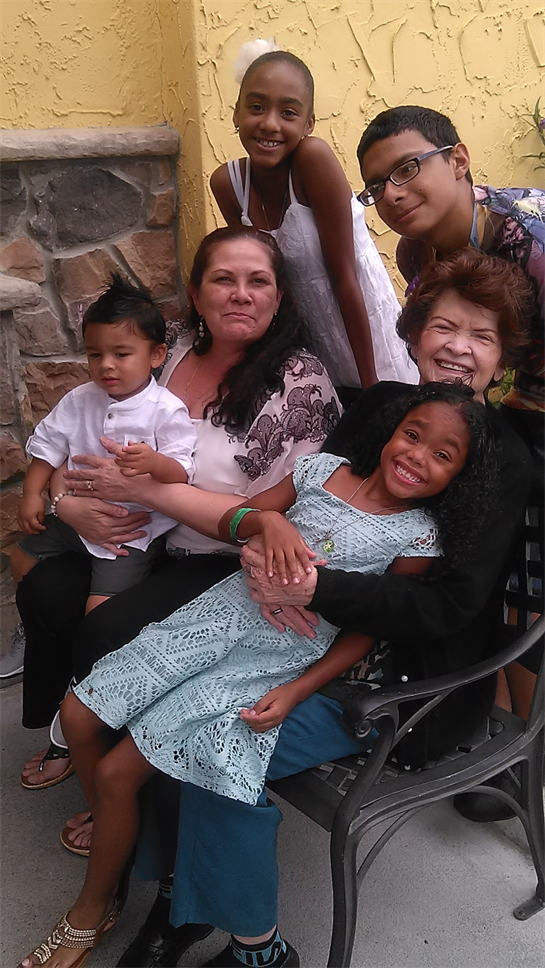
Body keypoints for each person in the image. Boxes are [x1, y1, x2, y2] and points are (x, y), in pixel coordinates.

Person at [89, 249, 533, 968]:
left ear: (503, 356)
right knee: (153, 672)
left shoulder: (504, 461)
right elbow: (302, 508)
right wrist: (265, 543)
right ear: (416, 332)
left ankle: (224, 934)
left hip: (389, 683)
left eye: (481, 336)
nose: (458, 347)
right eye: (445, 327)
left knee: (217, 736)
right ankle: (176, 888)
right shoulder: (383, 406)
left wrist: (310, 587)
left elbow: (447, 608)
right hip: (283, 630)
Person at [19, 381, 498, 968]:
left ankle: (90, 911)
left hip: (272, 656)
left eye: (443, 455)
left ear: (458, 476)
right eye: (412, 434)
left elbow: (367, 629)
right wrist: (266, 523)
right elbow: (239, 518)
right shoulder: (322, 470)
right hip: (215, 617)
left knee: (120, 773)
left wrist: (296, 690)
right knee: (78, 714)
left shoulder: (417, 534)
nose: (417, 456)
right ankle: (121, 856)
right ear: (391, 430)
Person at [16, 226, 340, 841]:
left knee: (107, 627)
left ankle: (117, 787)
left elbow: (286, 500)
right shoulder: (167, 346)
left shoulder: (299, 382)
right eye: (223, 279)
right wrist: (64, 502)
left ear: (278, 296)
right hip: (135, 532)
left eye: (258, 281)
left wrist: (148, 494)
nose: (240, 294)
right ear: (195, 293)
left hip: (215, 554)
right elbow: (81, 431)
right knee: (44, 588)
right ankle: (77, 734)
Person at [356, 104, 544, 818]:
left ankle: (527, 762)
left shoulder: (531, 243)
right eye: (378, 185)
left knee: (529, 591)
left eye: (408, 168)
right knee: (498, 577)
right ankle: (494, 738)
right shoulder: (417, 256)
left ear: (458, 159)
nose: (394, 193)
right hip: (516, 412)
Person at [210, 45, 417, 395]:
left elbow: (346, 277)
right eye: (256, 107)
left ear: (309, 124)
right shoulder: (228, 185)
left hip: (370, 345)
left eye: (288, 113)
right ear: (235, 113)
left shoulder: (313, 160)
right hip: (312, 356)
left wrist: (371, 391)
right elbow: (263, 286)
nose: (270, 124)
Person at [10, 274, 196, 618]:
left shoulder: (165, 410)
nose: (106, 364)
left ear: (156, 355)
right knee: (21, 557)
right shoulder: (79, 400)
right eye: (95, 354)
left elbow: (182, 471)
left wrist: (154, 462)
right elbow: (49, 447)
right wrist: (32, 494)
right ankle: (29, 625)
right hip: (73, 518)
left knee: (101, 609)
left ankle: (93, 647)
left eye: (121, 354)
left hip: (130, 532)